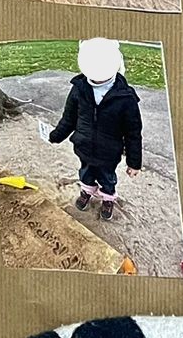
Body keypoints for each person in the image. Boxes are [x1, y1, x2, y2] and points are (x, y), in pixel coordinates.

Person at [47, 38, 141, 221]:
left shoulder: (126, 97)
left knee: (107, 178)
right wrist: (55, 136)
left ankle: (107, 199)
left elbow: (133, 133)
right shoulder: (79, 89)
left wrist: (134, 162)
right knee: (86, 173)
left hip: (109, 152)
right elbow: (69, 119)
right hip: (84, 147)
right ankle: (86, 191)